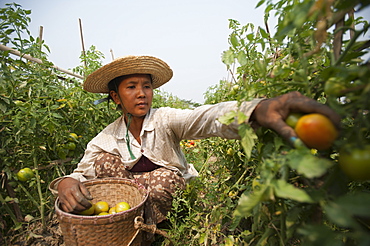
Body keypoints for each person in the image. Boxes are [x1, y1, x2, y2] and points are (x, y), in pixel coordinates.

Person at [49, 55, 340, 244]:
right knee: (103, 163)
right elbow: (81, 172)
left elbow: (204, 117)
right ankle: (128, 229)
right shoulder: (107, 137)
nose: (141, 93)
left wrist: (256, 110)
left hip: (169, 199)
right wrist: (66, 182)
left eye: (147, 86)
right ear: (115, 97)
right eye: (131, 87)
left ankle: (158, 234)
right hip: (129, 204)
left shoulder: (164, 119)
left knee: (161, 180)